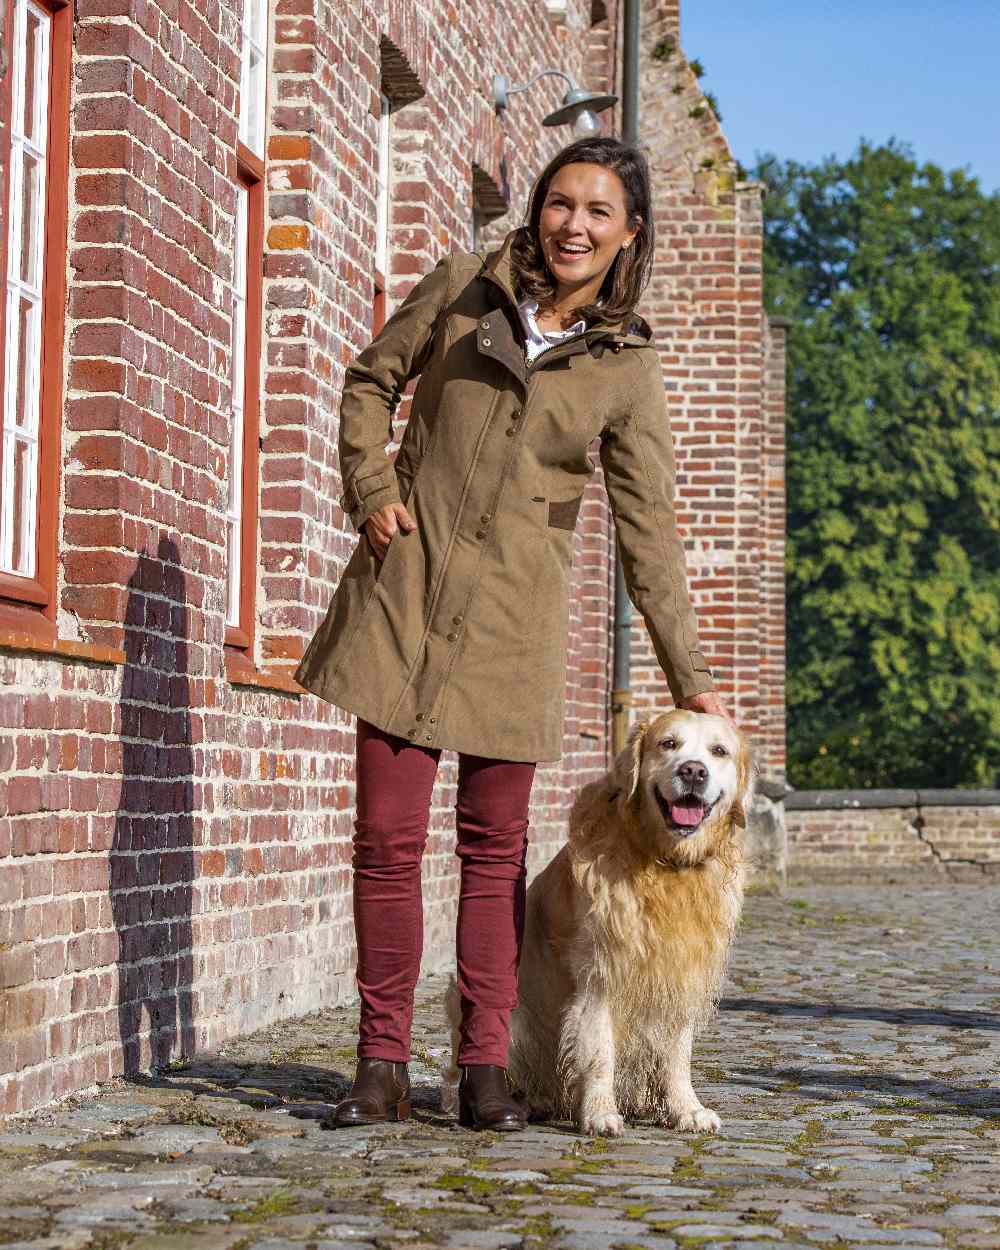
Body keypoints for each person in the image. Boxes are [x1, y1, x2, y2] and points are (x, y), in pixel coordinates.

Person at [294, 136, 731, 1132]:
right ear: (538, 208)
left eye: (597, 212)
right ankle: (379, 1066)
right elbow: (369, 380)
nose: (572, 225)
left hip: (514, 619)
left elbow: (646, 529)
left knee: (494, 853)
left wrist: (690, 676)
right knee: (386, 840)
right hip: (407, 591)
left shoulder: (627, 365)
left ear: (629, 236)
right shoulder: (460, 287)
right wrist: (370, 490)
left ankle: (485, 1068)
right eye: (559, 203)